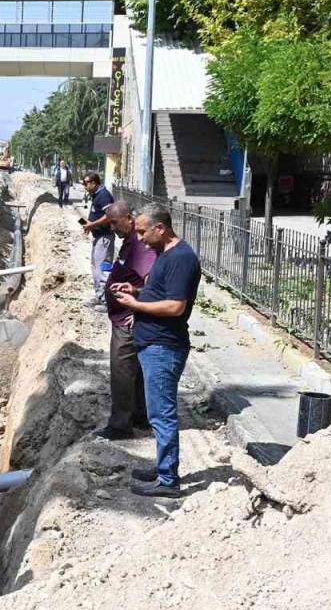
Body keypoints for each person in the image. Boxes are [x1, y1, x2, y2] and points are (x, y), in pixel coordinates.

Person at [111, 204, 202, 498]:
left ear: (160, 228)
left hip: (164, 347)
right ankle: (163, 467)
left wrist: (136, 305)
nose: (139, 238)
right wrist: (136, 291)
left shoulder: (182, 259)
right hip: (153, 344)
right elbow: (160, 291)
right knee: (156, 414)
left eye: (142, 232)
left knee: (162, 415)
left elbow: (175, 306)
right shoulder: (166, 254)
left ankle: (168, 480)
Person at [93, 200, 158, 441]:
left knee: (122, 370)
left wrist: (139, 310)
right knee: (135, 370)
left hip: (127, 320)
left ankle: (120, 426)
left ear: (129, 218)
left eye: (114, 223)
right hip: (123, 316)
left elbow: (152, 281)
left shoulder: (140, 247)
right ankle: (140, 415)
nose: (112, 228)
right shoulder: (131, 241)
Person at [77, 173, 115, 309]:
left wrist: (92, 225)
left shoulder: (104, 195)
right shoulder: (96, 195)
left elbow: (110, 216)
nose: (84, 186)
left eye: (86, 183)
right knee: (95, 268)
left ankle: (106, 301)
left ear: (94, 183)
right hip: (98, 236)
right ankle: (100, 296)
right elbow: (98, 214)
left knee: (102, 269)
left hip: (104, 238)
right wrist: (89, 226)